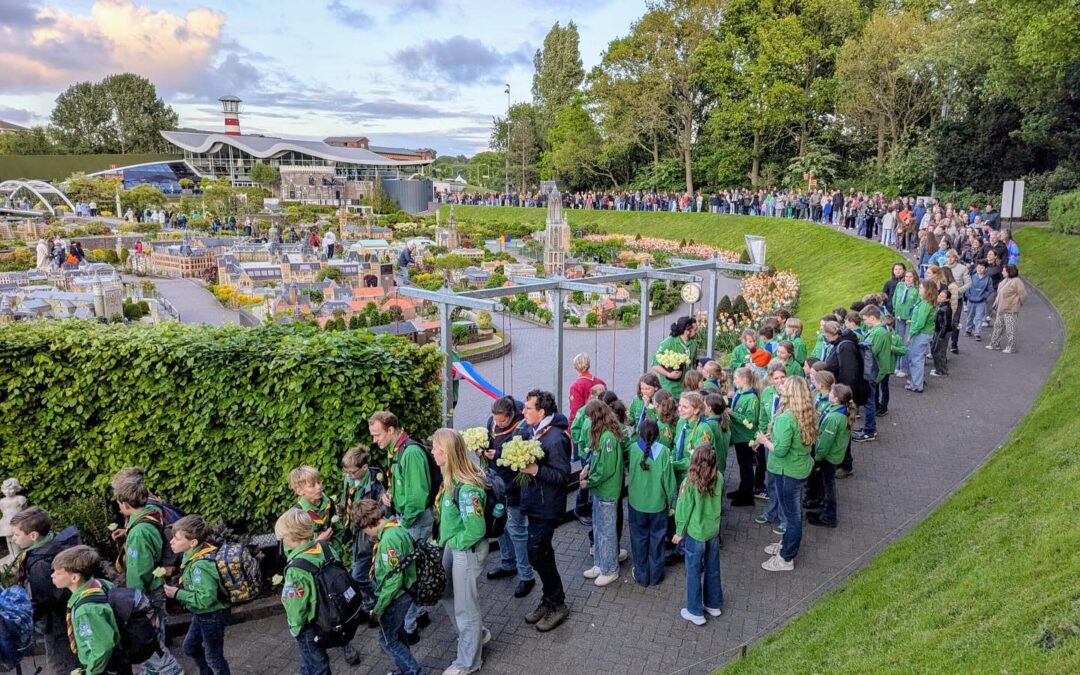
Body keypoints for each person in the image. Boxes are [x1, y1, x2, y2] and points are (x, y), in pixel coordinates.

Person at [368, 411, 433, 643]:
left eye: (377, 435)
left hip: (412, 520)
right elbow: (404, 485)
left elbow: (417, 496)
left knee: (409, 574)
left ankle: (409, 629)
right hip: (405, 516)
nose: (375, 441)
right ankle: (421, 615)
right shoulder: (396, 450)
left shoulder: (410, 453)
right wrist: (391, 495)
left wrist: (401, 523)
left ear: (391, 430)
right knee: (414, 569)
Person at [111, 475, 184, 675]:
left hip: (147, 592)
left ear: (125, 504)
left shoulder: (139, 532)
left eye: (118, 502)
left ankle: (169, 671)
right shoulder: (151, 513)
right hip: (157, 586)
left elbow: (139, 570)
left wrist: (133, 599)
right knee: (157, 631)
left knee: (150, 639)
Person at [432, 428, 491, 675]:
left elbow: (475, 530)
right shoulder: (451, 479)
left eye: (436, 448)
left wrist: (454, 542)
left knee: (466, 609)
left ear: (447, 453)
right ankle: (476, 636)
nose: (432, 452)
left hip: (464, 551)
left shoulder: (466, 490)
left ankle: (468, 662)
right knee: (446, 592)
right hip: (453, 547)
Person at [520, 390, 571, 632]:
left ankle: (558, 603)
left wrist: (535, 471)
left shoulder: (556, 438)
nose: (523, 412)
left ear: (542, 412)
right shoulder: (535, 431)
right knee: (542, 553)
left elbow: (562, 476)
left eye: (528, 408)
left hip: (547, 508)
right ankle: (550, 599)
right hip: (535, 504)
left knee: (536, 554)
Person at [756, 377, 817, 572]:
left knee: (792, 517)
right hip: (800, 468)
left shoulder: (785, 418)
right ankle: (786, 544)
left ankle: (786, 557)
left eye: (784, 385)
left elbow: (780, 450)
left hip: (787, 471)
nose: (780, 387)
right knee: (794, 512)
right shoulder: (807, 413)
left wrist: (763, 441)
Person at [354, 499, 421, 675]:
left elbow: (393, 580)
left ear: (367, 525)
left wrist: (379, 608)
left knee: (388, 640)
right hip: (405, 593)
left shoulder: (388, 542)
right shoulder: (396, 527)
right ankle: (404, 669)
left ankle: (414, 671)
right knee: (398, 634)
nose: (368, 536)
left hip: (396, 598)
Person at [11, 507, 81, 674]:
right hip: (68, 615)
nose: (13, 539)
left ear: (33, 536)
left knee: (60, 665)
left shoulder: (40, 564)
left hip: (56, 623)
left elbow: (44, 601)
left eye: (17, 534)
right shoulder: (53, 543)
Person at [162, 515, 231, 675]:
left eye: (177, 539)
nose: (171, 542)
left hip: (212, 615)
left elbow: (206, 599)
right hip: (201, 614)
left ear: (192, 543)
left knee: (214, 657)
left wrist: (178, 593)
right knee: (190, 647)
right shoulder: (193, 553)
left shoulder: (201, 566)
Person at [483, 397, 535, 598]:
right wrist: (482, 449)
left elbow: (520, 459)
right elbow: (490, 440)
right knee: (500, 526)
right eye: (495, 420)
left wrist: (497, 455)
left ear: (512, 415)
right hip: (496, 485)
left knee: (517, 531)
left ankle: (526, 575)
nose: (498, 424)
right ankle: (508, 563)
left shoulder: (522, 430)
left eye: (502, 421)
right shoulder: (492, 422)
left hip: (514, 488)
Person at [51, 546, 128, 675]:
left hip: (104, 667)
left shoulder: (86, 610)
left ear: (74, 578)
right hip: (119, 660)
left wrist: (90, 672)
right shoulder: (100, 583)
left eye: (58, 573)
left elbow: (102, 648)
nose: (52, 575)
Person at [673, 442, 724, 626]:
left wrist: (679, 531)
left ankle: (695, 610)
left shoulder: (690, 482)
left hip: (696, 533)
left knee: (693, 570)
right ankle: (713, 603)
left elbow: (684, 508)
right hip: (713, 531)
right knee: (713, 566)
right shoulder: (719, 477)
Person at [276, 509, 331, 675]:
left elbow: (296, 605)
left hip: (309, 624)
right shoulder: (324, 547)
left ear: (292, 538)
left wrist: (295, 627)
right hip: (327, 613)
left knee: (317, 664)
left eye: (283, 538)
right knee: (309, 660)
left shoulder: (296, 569)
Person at [579, 400, 624, 587]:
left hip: (606, 491)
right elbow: (598, 460)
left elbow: (606, 469)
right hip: (599, 490)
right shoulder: (604, 435)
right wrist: (588, 467)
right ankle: (600, 562)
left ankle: (610, 569)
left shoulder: (608, 439)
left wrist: (589, 481)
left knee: (606, 532)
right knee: (598, 529)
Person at [627, 418, 675, 587]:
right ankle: (656, 575)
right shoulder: (664, 452)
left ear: (640, 433)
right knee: (657, 540)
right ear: (658, 434)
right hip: (658, 505)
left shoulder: (633, 449)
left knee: (639, 539)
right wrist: (670, 502)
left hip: (636, 504)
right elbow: (669, 482)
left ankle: (641, 575)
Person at [341, 445, 385, 627]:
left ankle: (379, 606)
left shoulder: (376, 483)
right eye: (346, 471)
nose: (349, 476)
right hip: (354, 532)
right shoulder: (349, 480)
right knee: (364, 573)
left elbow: (381, 510)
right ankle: (370, 607)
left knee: (358, 575)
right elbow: (347, 499)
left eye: (352, 472)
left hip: (368, 535)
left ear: (364, 468)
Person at [807, 384, 856, 528]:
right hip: (834, 455)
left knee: (828, 485)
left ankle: (829, 516)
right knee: (826, 483)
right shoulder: (840, 411)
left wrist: (817, 458)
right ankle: (824, 510)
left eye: (831, 393)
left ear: (835, 398)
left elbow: (825, 443)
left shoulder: (834, 418)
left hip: (829, 457)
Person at [754, 361, 788, 530]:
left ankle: (785, 518)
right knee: (772, 479)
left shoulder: (791, 395)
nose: (780, 381)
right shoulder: (767, 392)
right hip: (769, 442)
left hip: (785, 443)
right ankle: (772, 512)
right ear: (771, 379)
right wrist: (758, 439)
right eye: (776, 378)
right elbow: (763, 418)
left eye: (783, 377)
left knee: (784, 482)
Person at [289, 465, 345, 560]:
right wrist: (317, 543)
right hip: (311, 564)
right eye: (312, 485)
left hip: (332, 559)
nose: (319, 487)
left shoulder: (329, 504)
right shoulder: (296, 515)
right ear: (299, 491)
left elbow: (338, 531)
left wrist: (334, 552)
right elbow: (291, 551)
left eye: (319, 482)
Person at [726, 367, 761, 507]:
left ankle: (748, 496)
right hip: (738, 436)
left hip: (746, 438)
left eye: (736, 379)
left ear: (745, 380)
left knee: (747, 467)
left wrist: (733, 414)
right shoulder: (739, 392)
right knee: (741, 465)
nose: (734, 381)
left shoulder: (751, 398)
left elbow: (751, 421)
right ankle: (742, 489)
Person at [652, 317, 699, 398]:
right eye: (694, 329)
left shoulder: (693, 343)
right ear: (687, 330)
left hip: (686, 389)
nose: (696, 331)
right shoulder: (668, 342)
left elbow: (694, 364)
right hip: (670, 389)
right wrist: (668, 374)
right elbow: (655, 365)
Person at [905, 281, 938, 393]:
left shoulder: (924, 304)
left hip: (921, 334)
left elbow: (920, 323)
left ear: (927, 290)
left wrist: (911, 333)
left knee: (916, 359)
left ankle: (917, 385)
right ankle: (917, 380)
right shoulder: (927, 303)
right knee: (918, 358)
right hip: (926, 333)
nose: (919, 289)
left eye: (921, 287)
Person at [987, 264, 1027, 354]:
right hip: (1001, 308)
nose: (1002, 272)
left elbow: (1023, 295)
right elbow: (1000, 292)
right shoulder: (1005, 280)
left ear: (1009, 272)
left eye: (1004, 271)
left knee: (1010, 329)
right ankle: (994, 344)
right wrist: (996, 302)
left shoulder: (1017, 281)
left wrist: (1017, 303)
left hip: (1011, 310)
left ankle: (1011, 347)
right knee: (998, 326)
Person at [568, 353, 605, 424]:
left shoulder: (576, 386)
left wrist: (571, 429)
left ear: (575, 366)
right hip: (602, 422)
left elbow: (575, 412)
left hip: (585, 425)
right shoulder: (601, 382)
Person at [964, 260, 993, 341]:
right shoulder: (972, 277)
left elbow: (990, 290)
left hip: (981, 301)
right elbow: (967, 286)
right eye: (978, 268)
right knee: (970, 316)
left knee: (979, 317)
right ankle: (968, 330)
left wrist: (984, 296)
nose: (979, 269)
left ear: (985, 269)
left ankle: (977, 333)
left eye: (982, 268)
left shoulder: (988, 279)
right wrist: (968, 295)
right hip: (971, 300)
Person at [930, 288, 954, 377]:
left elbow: (945, 324)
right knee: (937, 350)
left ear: (947, 299)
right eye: (940, 295)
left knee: (938, 351)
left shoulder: (944, 309)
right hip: (940, 331)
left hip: (942, 332)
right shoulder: (943, 307)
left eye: (942, 296)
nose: (939, 297)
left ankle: (940, 370)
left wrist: (941, 336)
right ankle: (940, 369)